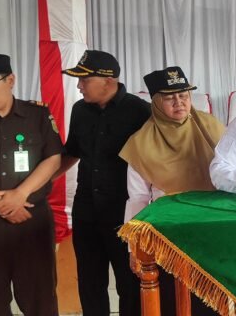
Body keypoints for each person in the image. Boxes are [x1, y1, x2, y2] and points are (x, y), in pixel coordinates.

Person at [120, 66, 224, 315]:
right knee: (172, 300)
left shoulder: (212, 128)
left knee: (213, 299)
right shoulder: (141, 144)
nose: (179, 102)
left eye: (184, 95)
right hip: (168, 236)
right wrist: (134, 246)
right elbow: (138, 198)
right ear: (156, 102)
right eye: (169, 98)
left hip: (212, 229)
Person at [57, 50, 150, 316]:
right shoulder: (80, 110)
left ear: (108, 81)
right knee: (89, 282)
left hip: (124, 213)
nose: (79, 86)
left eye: (84, 80)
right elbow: (72, 151)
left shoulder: (140, 111)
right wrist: (39, 183)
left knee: (129, 283)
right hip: (86, 210)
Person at [0, 53, 63, 316]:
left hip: (32, 219)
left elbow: (53, 159)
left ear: (10, 80)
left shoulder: (37, 114)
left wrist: (20, 194)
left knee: (40, 299)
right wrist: (0, 202)